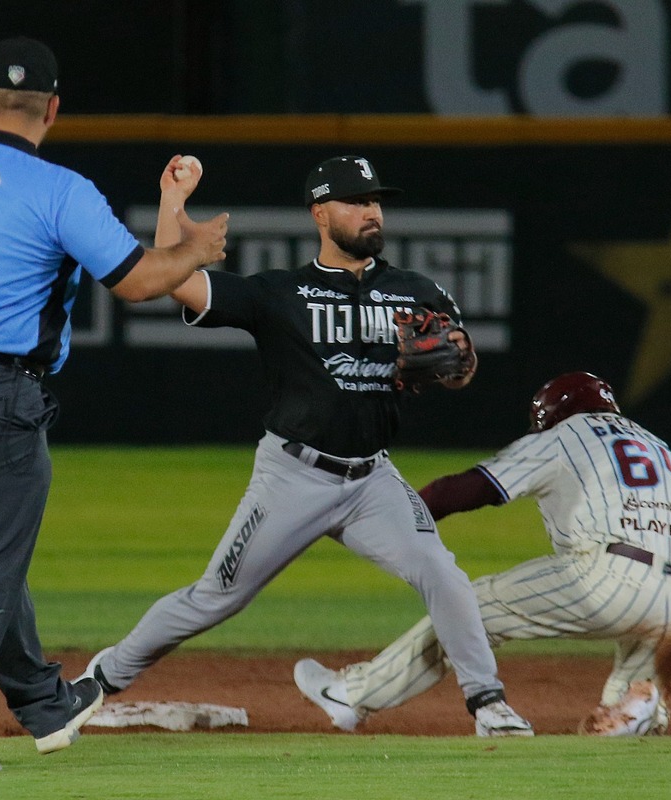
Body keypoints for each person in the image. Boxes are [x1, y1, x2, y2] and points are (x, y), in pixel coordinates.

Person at [0, 36, 228, 774]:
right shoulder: (59, 190)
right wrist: (197, 250)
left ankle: (42, 702)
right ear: (53, 109)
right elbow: (136, 281)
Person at [80, 155, 533, 737]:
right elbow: (180, 283)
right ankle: (100, 678)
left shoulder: (417, 291)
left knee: (441, 573)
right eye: (356, 201)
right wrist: (173, 204)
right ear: (321, 213)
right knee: (215, 598)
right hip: (293, 477)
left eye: (376, 201)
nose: (371, 211)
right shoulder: (280, 293)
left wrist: (457, 362)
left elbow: (459, 367)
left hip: (373, 480)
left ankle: (489, 703)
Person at [294, 372, 671, 736]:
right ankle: (638, 708)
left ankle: (351, 696)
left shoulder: (566, 435)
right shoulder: (659, 446)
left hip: (613, 578)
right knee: (619, 714)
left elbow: (469, 489)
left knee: (466, 608)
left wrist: (386, 519)